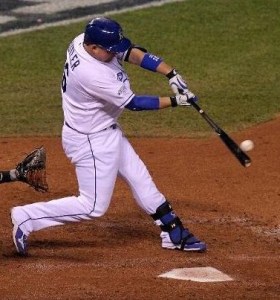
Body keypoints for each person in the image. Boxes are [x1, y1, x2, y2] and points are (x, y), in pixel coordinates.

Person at [10, 17, 206, 256]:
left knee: (140, 178)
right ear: (93, 48)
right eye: (110, 50)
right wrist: (177, 101)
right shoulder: (91, 74)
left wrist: (170, 73)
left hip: (105, 129)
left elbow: (130, 52)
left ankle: (172, 231)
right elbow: (134, 103)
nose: (116, 54)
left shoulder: (83, 40)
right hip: (90, 141)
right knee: (92, 206)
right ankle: (26, 217)